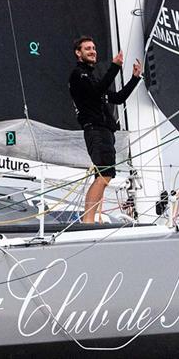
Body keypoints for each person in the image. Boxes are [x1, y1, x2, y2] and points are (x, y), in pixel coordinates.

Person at [68, 36, 142, 223]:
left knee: (103, 175)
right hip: (96, 130)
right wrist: (115, 66)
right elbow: (96, 92)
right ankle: (88, 221)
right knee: (105, 175)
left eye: (94, 48)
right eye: (87, 48)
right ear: (78, 53)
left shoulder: (91, 79)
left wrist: (135, 78)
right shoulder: (79, 75)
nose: (93, 51)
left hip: (104, 131)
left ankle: (93, 219)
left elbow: (117, 98)